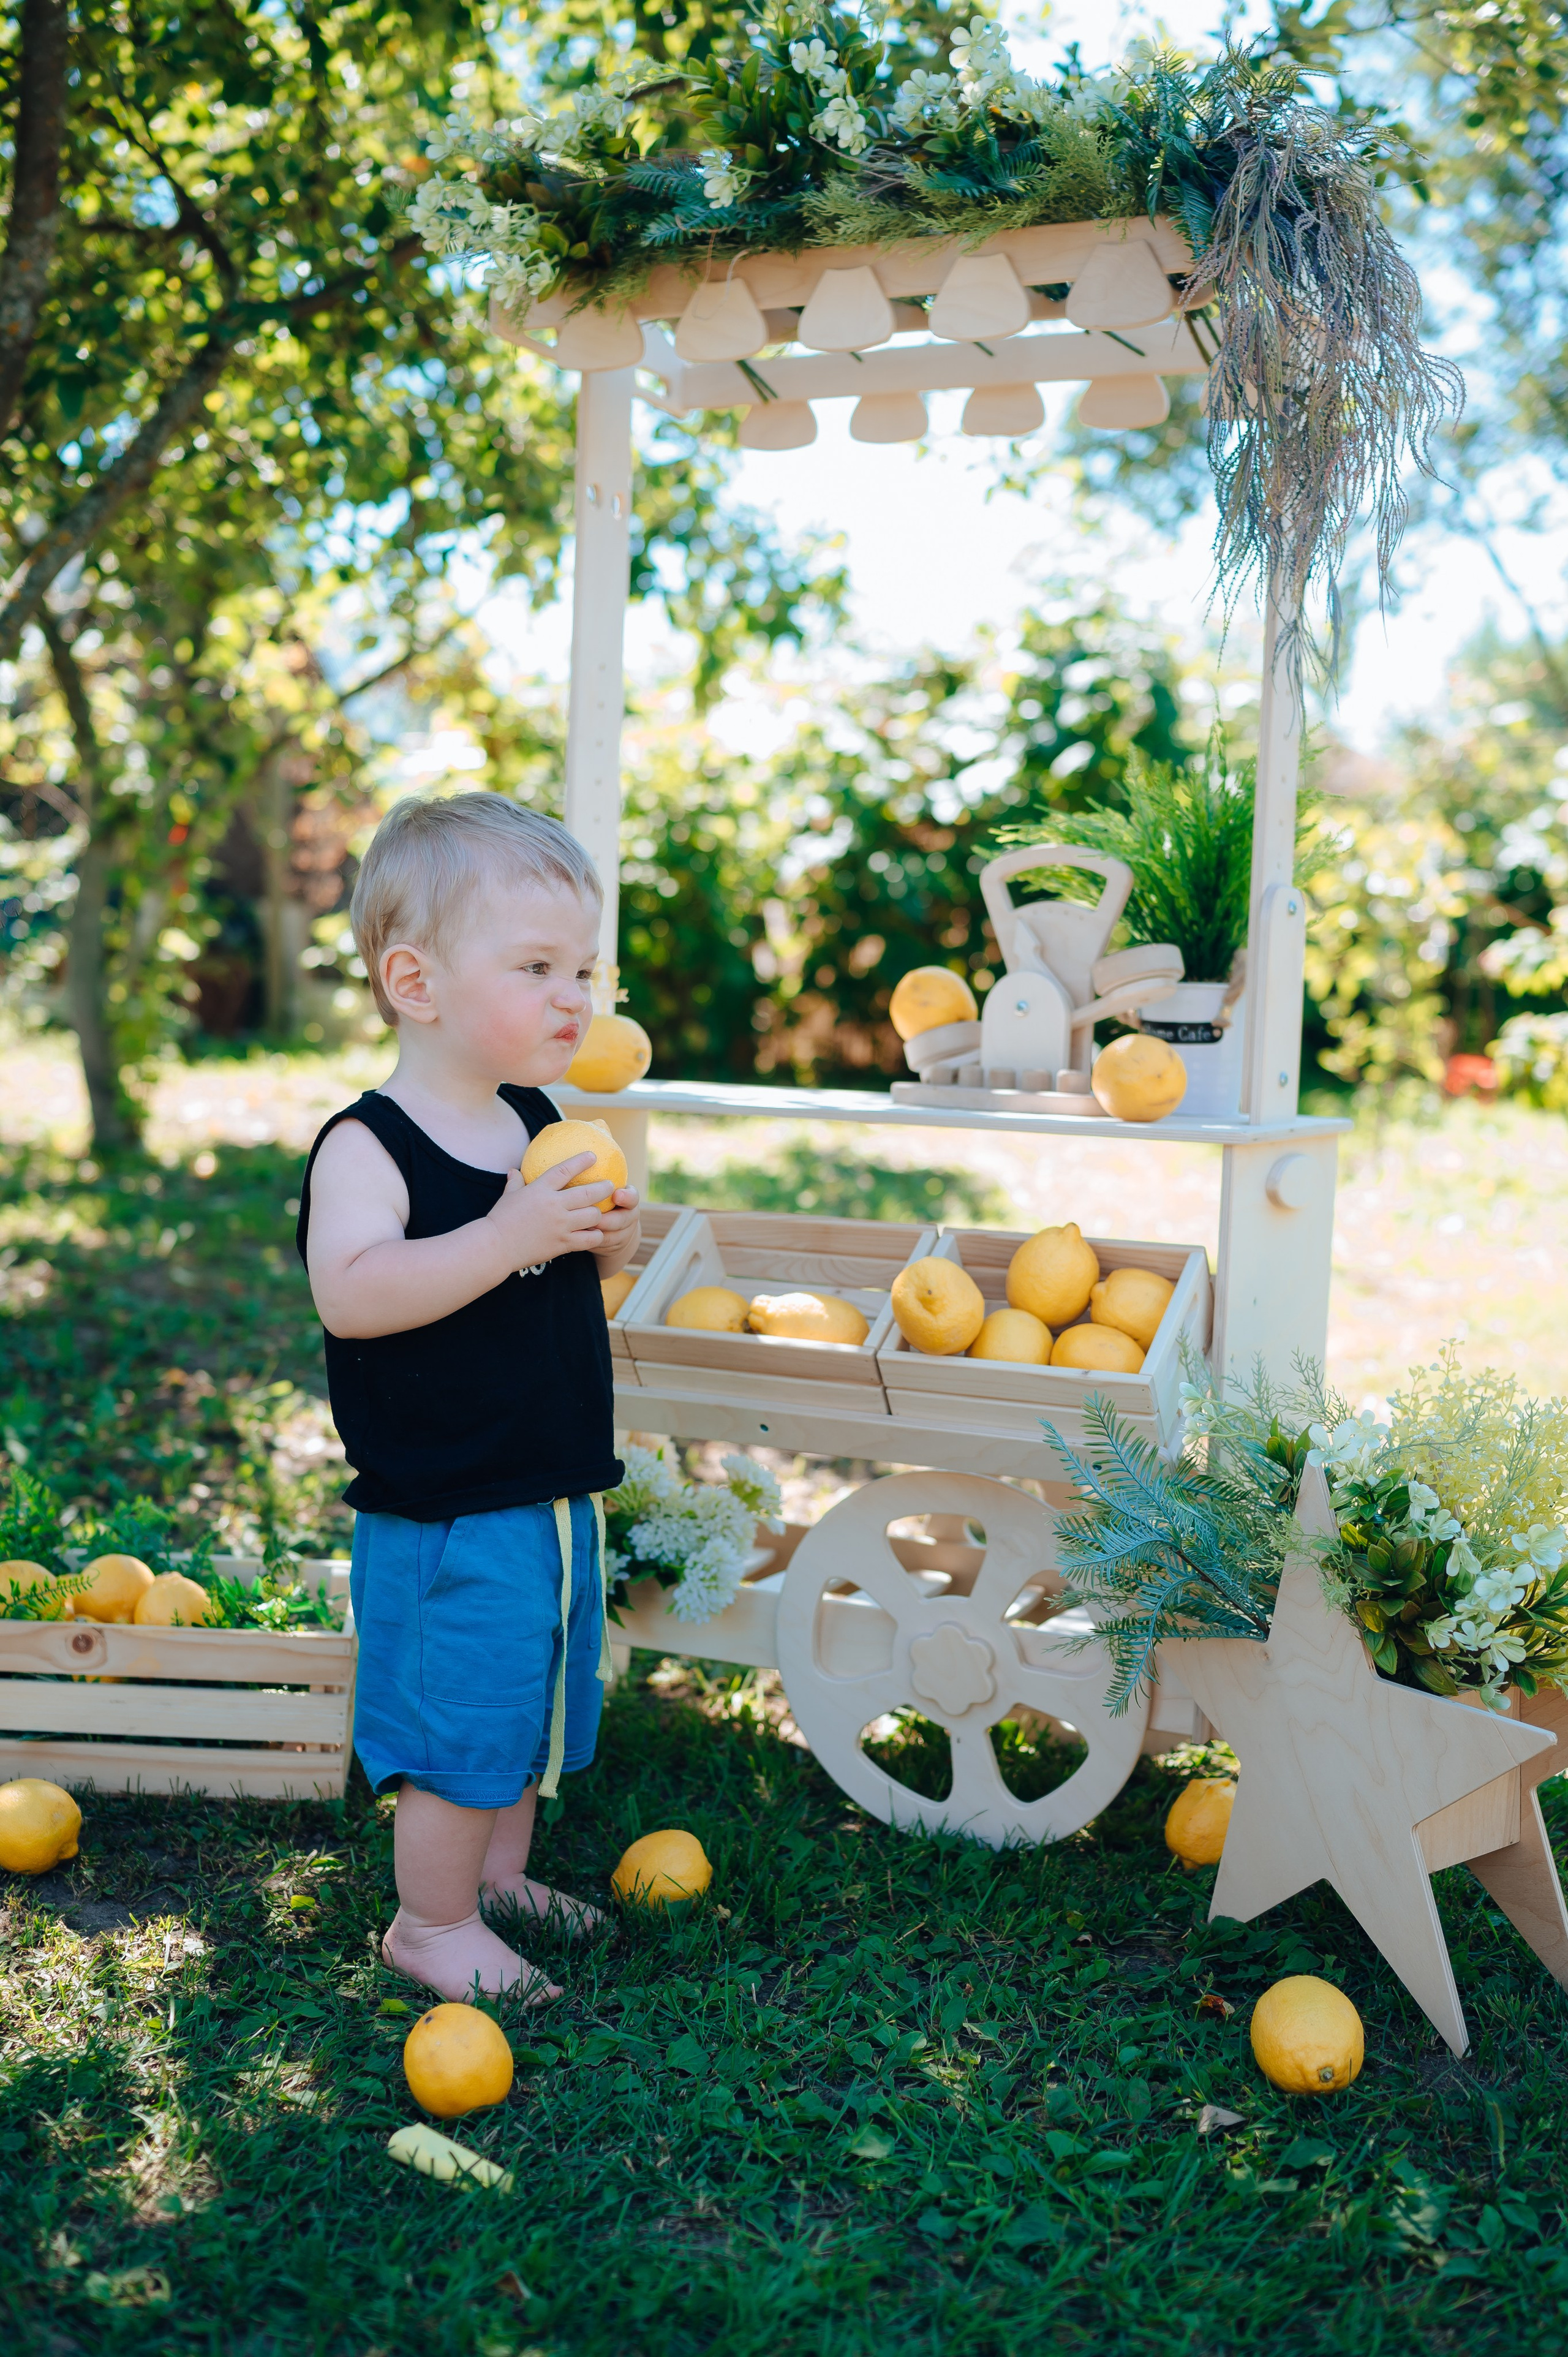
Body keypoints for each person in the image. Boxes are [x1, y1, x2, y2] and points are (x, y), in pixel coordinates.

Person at [296, 791, 640, 2004]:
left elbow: (556, 1283)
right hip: (445, 1500)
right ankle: (430, 1922)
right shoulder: (369, 1146)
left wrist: (596, 1239)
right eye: (538, 965)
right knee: (458, 1720)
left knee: (529, 1701)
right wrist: (508, 1235)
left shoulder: (540, 1122)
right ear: (417, 982)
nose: (575, 996)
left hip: (546, 1481)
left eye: (583, 967)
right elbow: (354, 1292)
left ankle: (496, 1876)